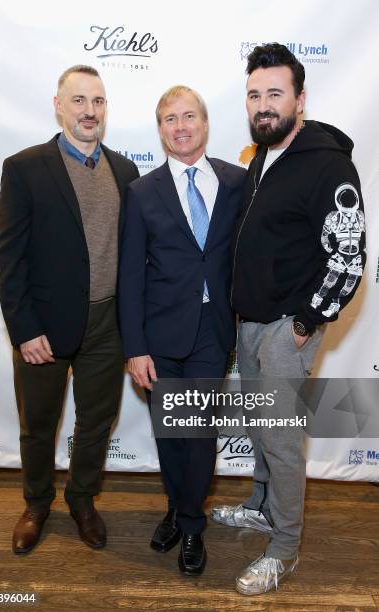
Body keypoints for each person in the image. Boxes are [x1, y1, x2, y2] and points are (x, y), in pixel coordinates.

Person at [211, 43, 366, 595]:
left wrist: (306, 321)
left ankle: (285, 546)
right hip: (250, 321)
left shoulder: (328, 164)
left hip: (284, 327)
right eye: (254, 95)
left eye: (274, 93)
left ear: (300, 99)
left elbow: (349, 258)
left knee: (279, 438)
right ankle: (261, 506)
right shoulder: (263, 156)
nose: (262, 104)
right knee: (261, 428)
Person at [0, 65, 139, 554]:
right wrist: (24, 328)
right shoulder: (24, 168)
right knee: (38, 423)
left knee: (96, 422)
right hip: (44, 328)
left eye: (97, 101)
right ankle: (36, 504)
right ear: (59, 106)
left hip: (107, 323)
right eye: (79, 101)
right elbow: (8, 256)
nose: (89, 111)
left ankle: (81, 500)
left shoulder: (125, 171)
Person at [118, 85, 246, 575]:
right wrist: (135, 347)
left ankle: (191, 526)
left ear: (206, 123)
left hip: (213, 332)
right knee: (170, 434)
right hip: (159, 336)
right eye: (170, 119)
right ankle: (176, 506)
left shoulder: (236, 183)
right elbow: (130, 274)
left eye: (188, 116)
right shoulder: (142, 191)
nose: (181, 126)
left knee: (198, 434)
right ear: (160, 130)